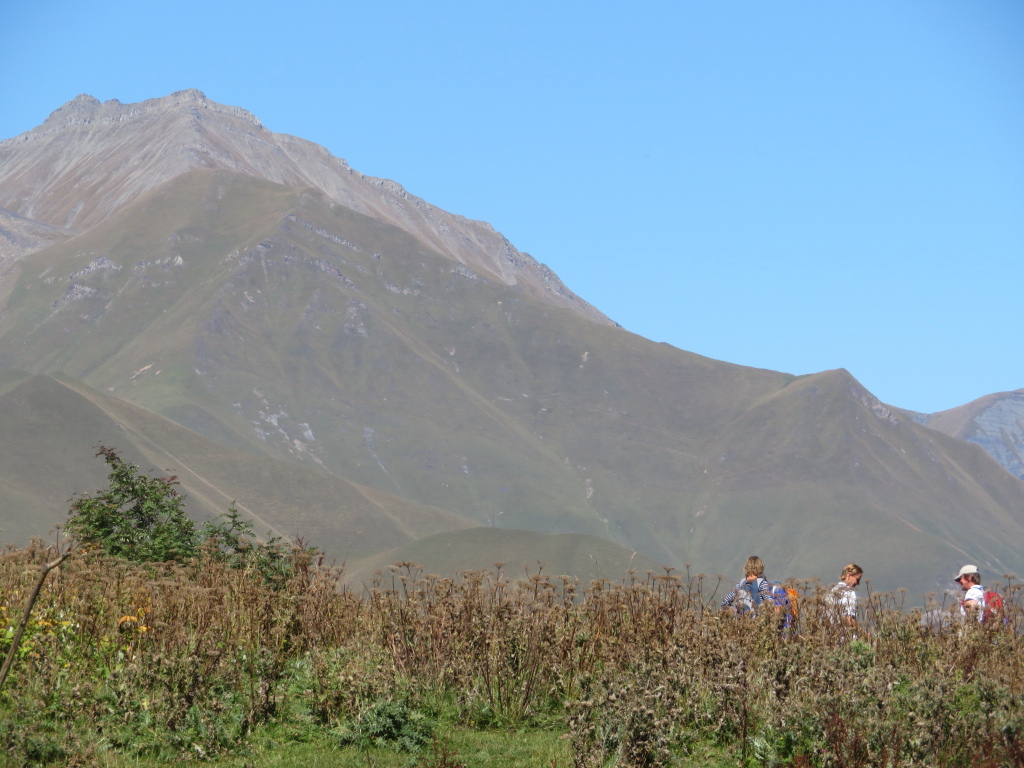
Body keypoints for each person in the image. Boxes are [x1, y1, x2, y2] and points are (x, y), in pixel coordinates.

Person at [826, 563, 863, 629]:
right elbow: (848, 618)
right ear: (848, 576)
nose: (858, 583)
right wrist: (863, 634)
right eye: (857, 579)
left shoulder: (831, 592)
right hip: (846, 634)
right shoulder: (849, 593)